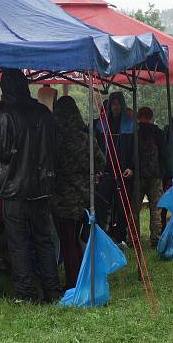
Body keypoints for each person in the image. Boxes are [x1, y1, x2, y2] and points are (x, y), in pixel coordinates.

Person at [0, 69, 62, 303]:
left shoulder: (5, 117)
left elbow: (1, 153)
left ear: (5, 89)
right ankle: (52, 290)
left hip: (15, 189)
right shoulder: (44, 113)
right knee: (44, 240)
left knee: (19, 243)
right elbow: (55, 146)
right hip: (43, 187)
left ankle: (26, 293)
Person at [52, 96, 105, 290]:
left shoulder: (55, 138)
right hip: (84, 196)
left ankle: (73, 282)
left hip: (62, 198)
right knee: (78, 239)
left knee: (68, 244)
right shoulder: (86, 137)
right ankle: (83, 278)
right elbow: (101, 162)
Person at [94, 92, 135, 248]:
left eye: (118, 104)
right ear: (109, 106)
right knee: (102, 205)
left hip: (124, 172)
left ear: (123, 105)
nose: (116, 107)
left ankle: (120, 238)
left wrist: (131, 167)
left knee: (122, 206)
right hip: (106, 172)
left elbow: (134, 150)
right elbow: (96, 148)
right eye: (113, 104)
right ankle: (103, 237)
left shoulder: (130, 124)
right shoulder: (100, 124)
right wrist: (97, 169)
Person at [135, 106, 171, 247]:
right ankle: (156, 238)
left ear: (138, 117)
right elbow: (164, 153)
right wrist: (165, 172)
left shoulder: (134, 132)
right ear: (152, 117)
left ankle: (134, 238)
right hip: (155, 175)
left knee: (134, 209)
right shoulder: (158, 132)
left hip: (138, 175)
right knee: (156, 209)